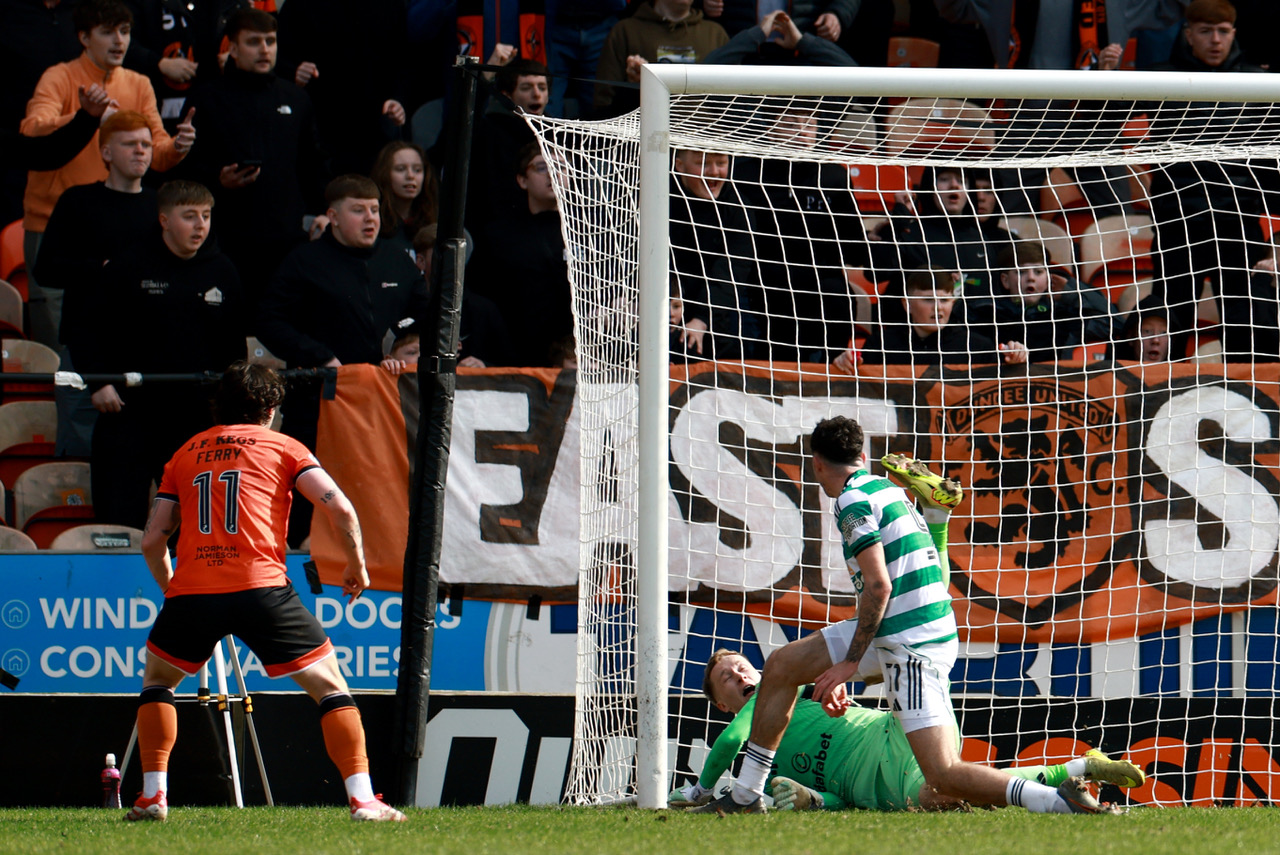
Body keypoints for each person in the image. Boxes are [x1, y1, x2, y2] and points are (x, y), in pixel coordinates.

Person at [692, 416, 1121, 815]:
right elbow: (927, 569)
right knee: (784, 664)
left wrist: (847, 665)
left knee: (943, 775)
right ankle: (746, 796)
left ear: (817, 463)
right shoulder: (888, 489)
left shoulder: (852, 502)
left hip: (908, 641)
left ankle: (1057, 799)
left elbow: (878, 586)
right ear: (863, 456)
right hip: (905, 625)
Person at [127, 361, 407, 823]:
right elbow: (341, 509)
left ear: (220, 404)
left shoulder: (186, 453)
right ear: (272, 409)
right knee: (330, 688)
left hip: (193, 592)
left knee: (158, 683)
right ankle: (363, 800)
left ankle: (153, 795)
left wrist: (173, 591)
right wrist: (357, 563)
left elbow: (153, 539)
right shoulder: (284, 447)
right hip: (262, 588)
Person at [680, 648, 1146, 811]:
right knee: (952, 791)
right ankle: (1078, 768)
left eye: (744, 669)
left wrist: (702, 790)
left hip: (894, 732)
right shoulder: (764, 763)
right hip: (880, 784)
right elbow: (841, 800)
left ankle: (937, 529)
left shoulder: (778, 699)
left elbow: (728, 742)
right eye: (729, 678)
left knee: (903, 654)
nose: (742, 677)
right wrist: (814, 800)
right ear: (721, 702)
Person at [256, 174, 428, 543]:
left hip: (383, 405)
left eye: (375, 210)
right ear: (332, 216)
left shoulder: (398, 260)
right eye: (358, 210)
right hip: (317, 402)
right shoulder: (304, 261)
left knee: (376, 492)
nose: (370, 219)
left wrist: (397, 351)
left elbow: (427, 317)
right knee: (306, 491)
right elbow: (269, 322)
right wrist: (320, 357)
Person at [20, 0, 196, 348]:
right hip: (55, 225)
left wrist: (179, 147)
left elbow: (157, 155)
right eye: (107, 32)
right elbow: (32, 130)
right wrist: (84, 116)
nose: (119, 41)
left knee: (123, 335)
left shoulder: (139, 83)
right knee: (58, 347)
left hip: (119, 226)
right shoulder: (59, 76)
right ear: (84, 37)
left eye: (125, 32)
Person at [78, 180, 247, 530]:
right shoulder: (128, 266)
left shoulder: (223, 270)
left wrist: (230, 408)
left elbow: (234, 350)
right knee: (118, 516)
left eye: (206, 215)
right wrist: (99, 382)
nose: (200, 225)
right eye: (189, 216)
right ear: (164, 220)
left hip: (195, 416)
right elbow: (88, 330)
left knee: (197, 521)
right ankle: (116, 586)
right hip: (129, 410)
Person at [182, 7, 328, 314]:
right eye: (253, 42)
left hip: (286, 240)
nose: (264, 49)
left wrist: (323, 211)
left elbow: (313, 165)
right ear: (232, 48)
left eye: (270, 41)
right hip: (227, 239)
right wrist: (217, 180)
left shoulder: (296, 98)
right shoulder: (207, 98)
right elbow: (185, 166)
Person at [33, 110, 160, 458]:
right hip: (85, 345)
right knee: (80, 453)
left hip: (147, 347)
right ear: (106, 152)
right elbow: (46, 270)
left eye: (147, 145)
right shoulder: (77, 202)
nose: (141, 152)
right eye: (130, 144)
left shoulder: (159, 205)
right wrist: (100, 268)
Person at [1147, 0, 1271, 335]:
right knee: (1171, 325)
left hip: (1239, 224)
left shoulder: (1260, 83)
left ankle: (1246, 388)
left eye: (1223, 31)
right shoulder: (1159, 79)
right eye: (1205, 31)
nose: (1215, 40)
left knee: (1247, 326)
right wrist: (1103, 81)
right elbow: (1104, 122)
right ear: (1188, 35)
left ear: (1234, 34)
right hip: (1177, 224)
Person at [474, 144, 573, 367]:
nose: (553, 173)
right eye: (541, 167)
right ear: (522, 180)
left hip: (578, 358)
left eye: (560, 167)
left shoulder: (592, 232)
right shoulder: (498, 236)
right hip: (516, 356)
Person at [668, 147, 757, 362]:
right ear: (679, 166)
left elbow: (732, 270)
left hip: (718, 316)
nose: (714, 172)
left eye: (721, 163)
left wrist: (702, 317)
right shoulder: (658, 201)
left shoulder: (738, 208)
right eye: (703, 163)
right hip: (665, 312)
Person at [852, 268, 1028, 370]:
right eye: (928, 299)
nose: (938, 307)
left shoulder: (977, 347)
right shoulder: (880, 345)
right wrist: (845, 364)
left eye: (944, 300)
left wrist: (1016, 359)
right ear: (907, 305)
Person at [971, 241, 1113, 363]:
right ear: (1005, 280)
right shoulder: (984, 314)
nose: (1031, 278)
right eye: (1021, 272)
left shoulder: (1062, 316)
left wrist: (1071, 292)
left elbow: (1113, 324)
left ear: (1048, 280)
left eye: (1038, 272)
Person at [593, 0, 728, 118]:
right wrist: (634, 86)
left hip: (706, 140)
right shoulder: (625, 31)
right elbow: (604, 105)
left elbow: (733, 105)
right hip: (644, 139)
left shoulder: (715, 34)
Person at [467, 59, 550, 230]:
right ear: (506, 96)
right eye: (526, 88)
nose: (537, 94)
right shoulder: (488, 131)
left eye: (542, 87)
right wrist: (485, 77)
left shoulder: (555, 133)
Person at [370, 141, 437, 253]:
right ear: (384, 174)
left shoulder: (433, 223)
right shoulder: (373, 222)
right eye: (400, 169)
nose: (410, 176)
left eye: (417, 170)